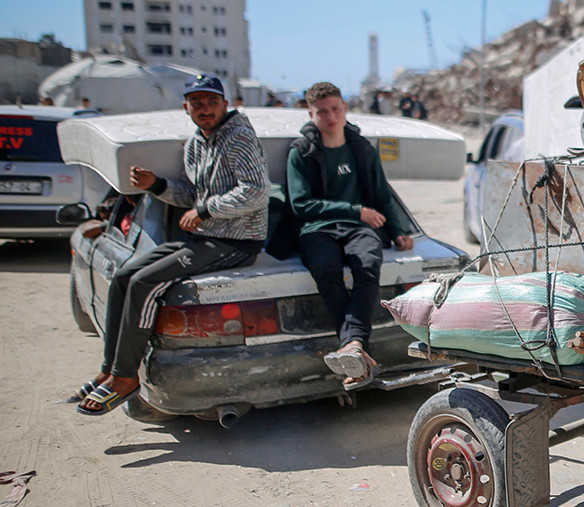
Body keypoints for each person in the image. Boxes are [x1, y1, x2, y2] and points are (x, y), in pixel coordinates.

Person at [75, 74, 269, 415]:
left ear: (226, 105)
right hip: (206, 237)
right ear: (186, 108)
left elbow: (256, 191)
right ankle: (110, 367)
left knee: (144, 283)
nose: (205, 109)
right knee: (124, 276)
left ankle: (126, 379)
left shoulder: (239, 137)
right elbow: (191, 195)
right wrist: (157, 184)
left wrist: (205, 210)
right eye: (197, 103)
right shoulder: (196, 143)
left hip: (239, 241)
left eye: (212, 102)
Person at [286, 81, 414, 389]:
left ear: (344, 109)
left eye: (335, 109)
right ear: (310, 114)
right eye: (322, 112)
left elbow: (382, 194)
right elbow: (301, 205)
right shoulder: (301, 152)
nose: (330, 117)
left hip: (360, 227)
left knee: (367, 265)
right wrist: (354, 210)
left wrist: (399, 230)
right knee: (327, 269)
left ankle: (353, 346)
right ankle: (357, 345)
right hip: (318, 228)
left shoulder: (361, 148)